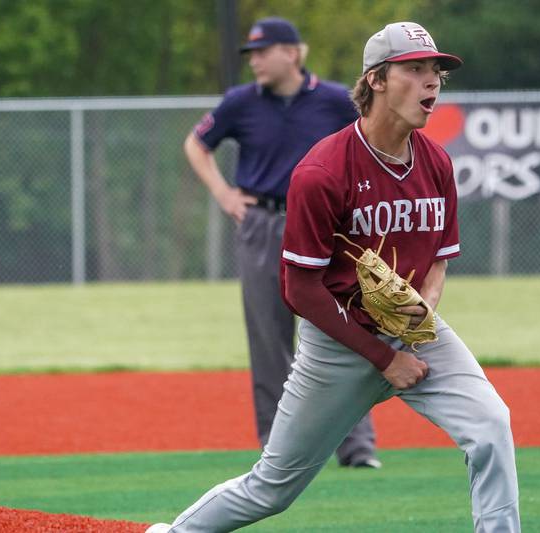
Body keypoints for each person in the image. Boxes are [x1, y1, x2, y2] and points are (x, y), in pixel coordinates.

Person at [149, 21, 520, 533]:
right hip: (338, 344)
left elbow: (439, 256)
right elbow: (299, 289)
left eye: (436, 70)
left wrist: (425, 308)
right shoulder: (323, 172)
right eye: (415, 69)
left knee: (491, 426)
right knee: (271, 488)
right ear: (377, 81)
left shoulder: (435, 161)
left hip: (415, 334)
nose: (432, 80)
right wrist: (385, 358)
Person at [183, 16, 379, 468]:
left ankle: (357, 447)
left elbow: (370, 144)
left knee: (347, 328)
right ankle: (278, 450)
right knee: (269, 337)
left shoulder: (334, 100)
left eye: (262, 52)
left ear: (292, 53)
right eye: (250, 54)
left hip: (329, 228)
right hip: (264, 223)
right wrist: (223, 193)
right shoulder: (241, 102)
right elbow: (196, 144)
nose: (254, 61)